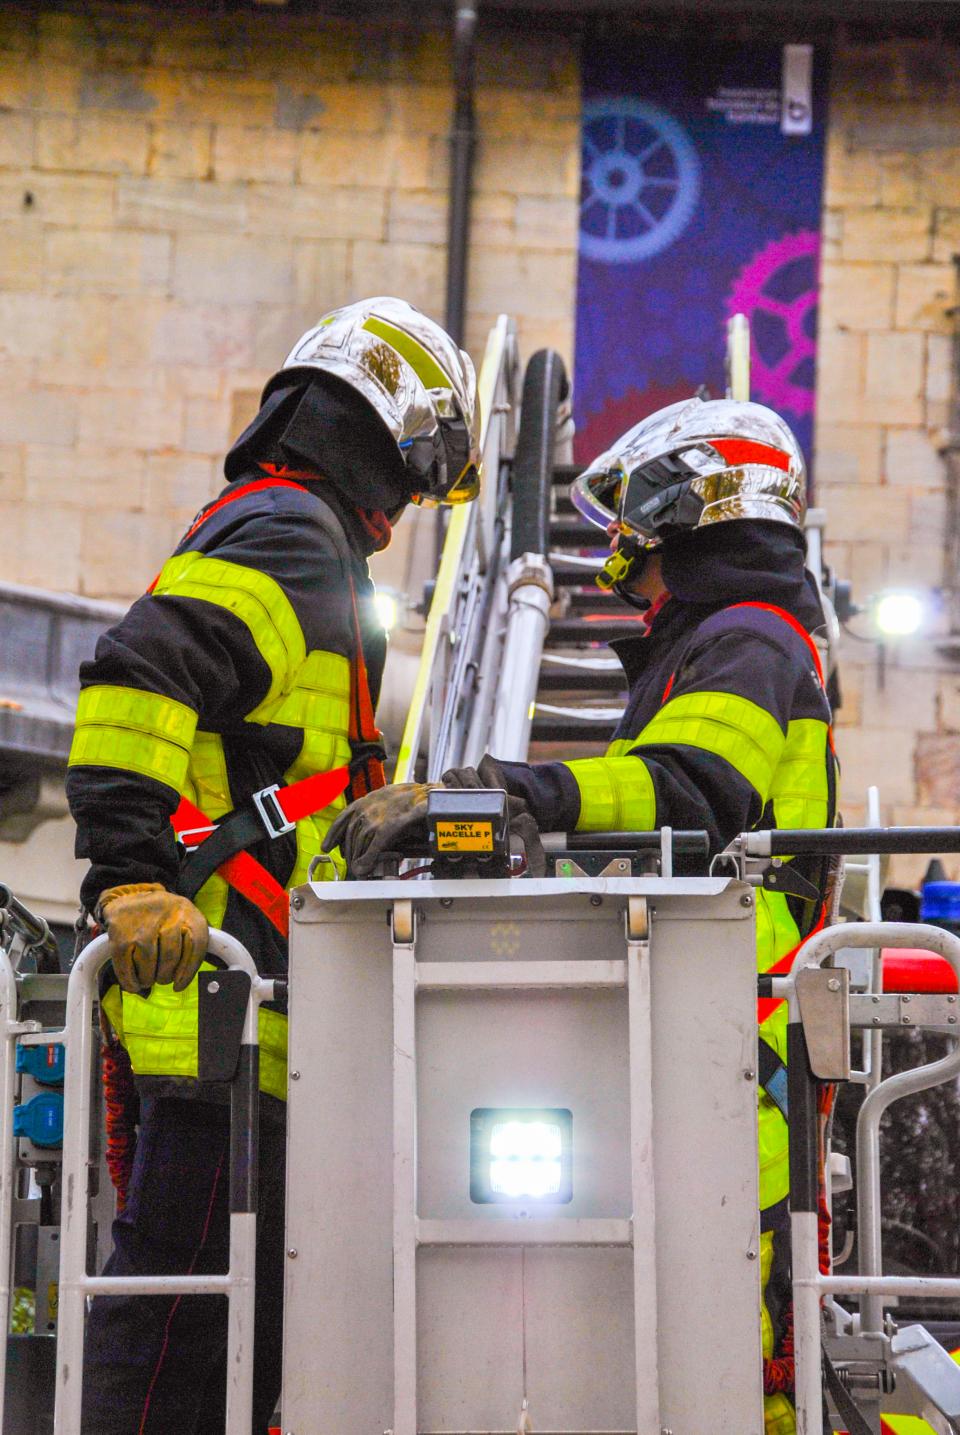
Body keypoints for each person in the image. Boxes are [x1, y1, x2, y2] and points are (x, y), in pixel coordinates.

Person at [326, 395, 838, 1435]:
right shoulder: (726, 642)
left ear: (693, 505)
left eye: (637, 511)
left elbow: (688, 790)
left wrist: (506, 790)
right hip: (711, 1029)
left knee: (725, 1332)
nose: (623, 540)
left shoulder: (747, 640)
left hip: (734, 1040)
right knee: (683, 1320)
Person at [65, 296, 481, 1434]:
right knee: (175, 1358)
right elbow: (139, 674)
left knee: (229, 1355)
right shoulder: (291, 534)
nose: (407, 509)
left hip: (253, 1023)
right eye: (418, 476)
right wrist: (130, 876)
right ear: (394, 437)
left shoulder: (289, 532)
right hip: (223, 1019)